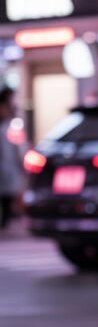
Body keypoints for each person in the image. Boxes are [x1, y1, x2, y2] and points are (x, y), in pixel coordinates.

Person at [0, 87, 22, 230]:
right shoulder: (5, 128)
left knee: (8, 193)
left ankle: (8, 216)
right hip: (5, 165)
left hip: (7, 165)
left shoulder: (8, 127)